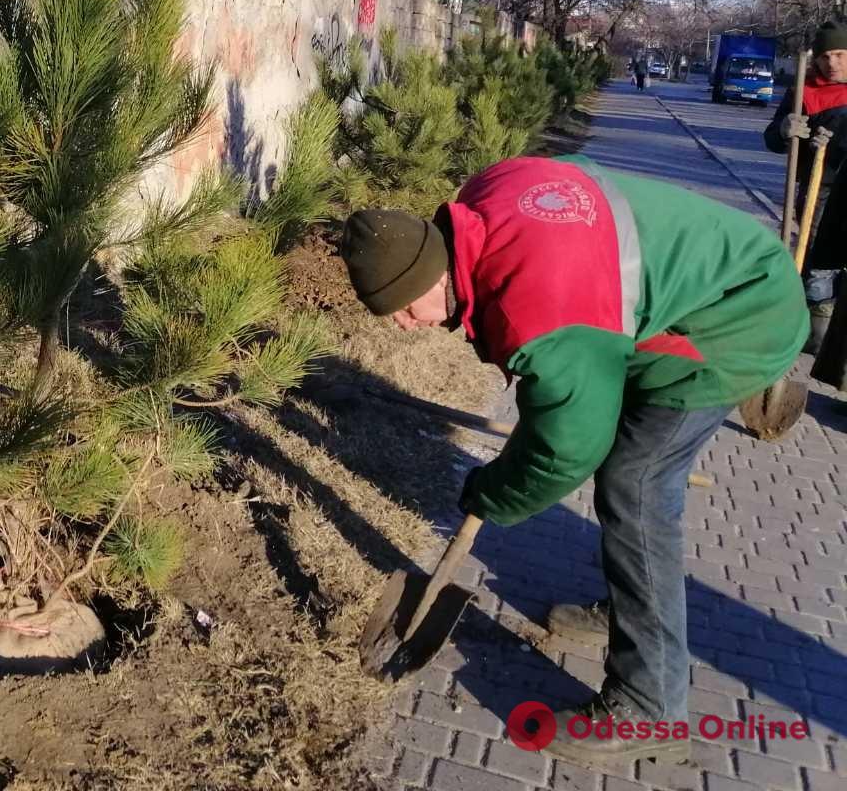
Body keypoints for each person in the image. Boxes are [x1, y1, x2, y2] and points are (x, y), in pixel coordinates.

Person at [339, 155, 805, 768]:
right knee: (622, 458)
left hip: (734, 319)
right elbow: (567, 377)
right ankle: (633, 610)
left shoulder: (535, 304)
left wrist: (493, 491)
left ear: (432, 275)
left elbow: (568, 447)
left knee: (635, 486)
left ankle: (650, 708)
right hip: (696, 282)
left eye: (402, 310)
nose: (402, 327)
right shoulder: (482, 201)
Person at [764, 21, 847, 354]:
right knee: (817, 261)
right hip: (819, 192)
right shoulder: (804, 90)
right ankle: (816, 335)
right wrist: (785, 128)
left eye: (840, 54)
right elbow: (771, 139)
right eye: (826, 56)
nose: (833, 63)